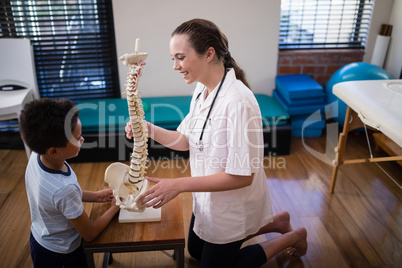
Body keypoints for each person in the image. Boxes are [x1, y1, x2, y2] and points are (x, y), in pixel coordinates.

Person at [126, 18, 307, 268]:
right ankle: (277, 222)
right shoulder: (201, 90)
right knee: (197, 252)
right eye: (173, 59)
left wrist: (178, 185)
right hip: (208, 198)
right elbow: (187, 140)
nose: (175, 66)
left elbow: (242, 176)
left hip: (233, 204)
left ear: (209, 54)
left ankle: (294, 236)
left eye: (180, 57)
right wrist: (148, 129)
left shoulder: (239, 103)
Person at [19, 98, 120, 268]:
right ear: (54, 151)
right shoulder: (64, 190)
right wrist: (114, 208)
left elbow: (58, 200)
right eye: (77, 138)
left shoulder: (37, 156)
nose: (82, 140)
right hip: (63, 254)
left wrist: (95, 196)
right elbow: (90, 233)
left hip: (40, 238)